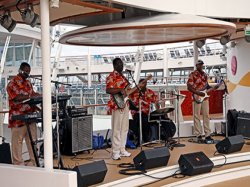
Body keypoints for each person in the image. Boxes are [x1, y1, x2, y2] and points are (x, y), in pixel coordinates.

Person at [106, 58, 145, 160]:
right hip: (116, 105)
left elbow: (127, 92)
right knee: (116, 129)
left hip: (125, 104)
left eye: (122, 64)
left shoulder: (123, 77)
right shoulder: (112, 76)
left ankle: (122, 149)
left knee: (124, 129)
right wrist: (120, 89)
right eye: (119, 64)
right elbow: (108, 89)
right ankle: (115, 151)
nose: (121, 66)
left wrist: (138, 87)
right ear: (114, 65)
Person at [7, 62, 41, 166]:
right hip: (18, 118)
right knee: (17, 143)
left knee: (33, 142)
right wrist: (31, 96)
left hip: (30, 116)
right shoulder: (12, 83)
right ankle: (18, 164)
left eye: (29, 71)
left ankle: (34, 163)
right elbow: (17, 98)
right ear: (20, 70)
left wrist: (39, 99)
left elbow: (32, 98)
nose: (27, 73)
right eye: (26, 71)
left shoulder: (28, 83)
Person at [129, 79, 176, 144]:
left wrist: (160, 111)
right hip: (139, 113)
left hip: (150, 113)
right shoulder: (134, 93)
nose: (142, 85)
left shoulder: (150, 92)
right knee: (144, 119)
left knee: (163, 118)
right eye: (141, 84)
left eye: (144, 83)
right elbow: (128, 95)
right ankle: (146, 140)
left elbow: (156, 103)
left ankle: (168, 138)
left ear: (146, 84)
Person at [187, 60, 219, 143]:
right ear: (196, 65)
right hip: (196, 97)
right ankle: (198, 134)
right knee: (196, 116)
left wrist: (214, 87)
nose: (201, 66)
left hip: (205, 97)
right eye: (199, 65)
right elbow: (189, 87)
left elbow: (206, 87)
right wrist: (198, 93)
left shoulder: (205, 75)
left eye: (202, 65)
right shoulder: (193, 74)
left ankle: (207, 134)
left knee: (206, 115)